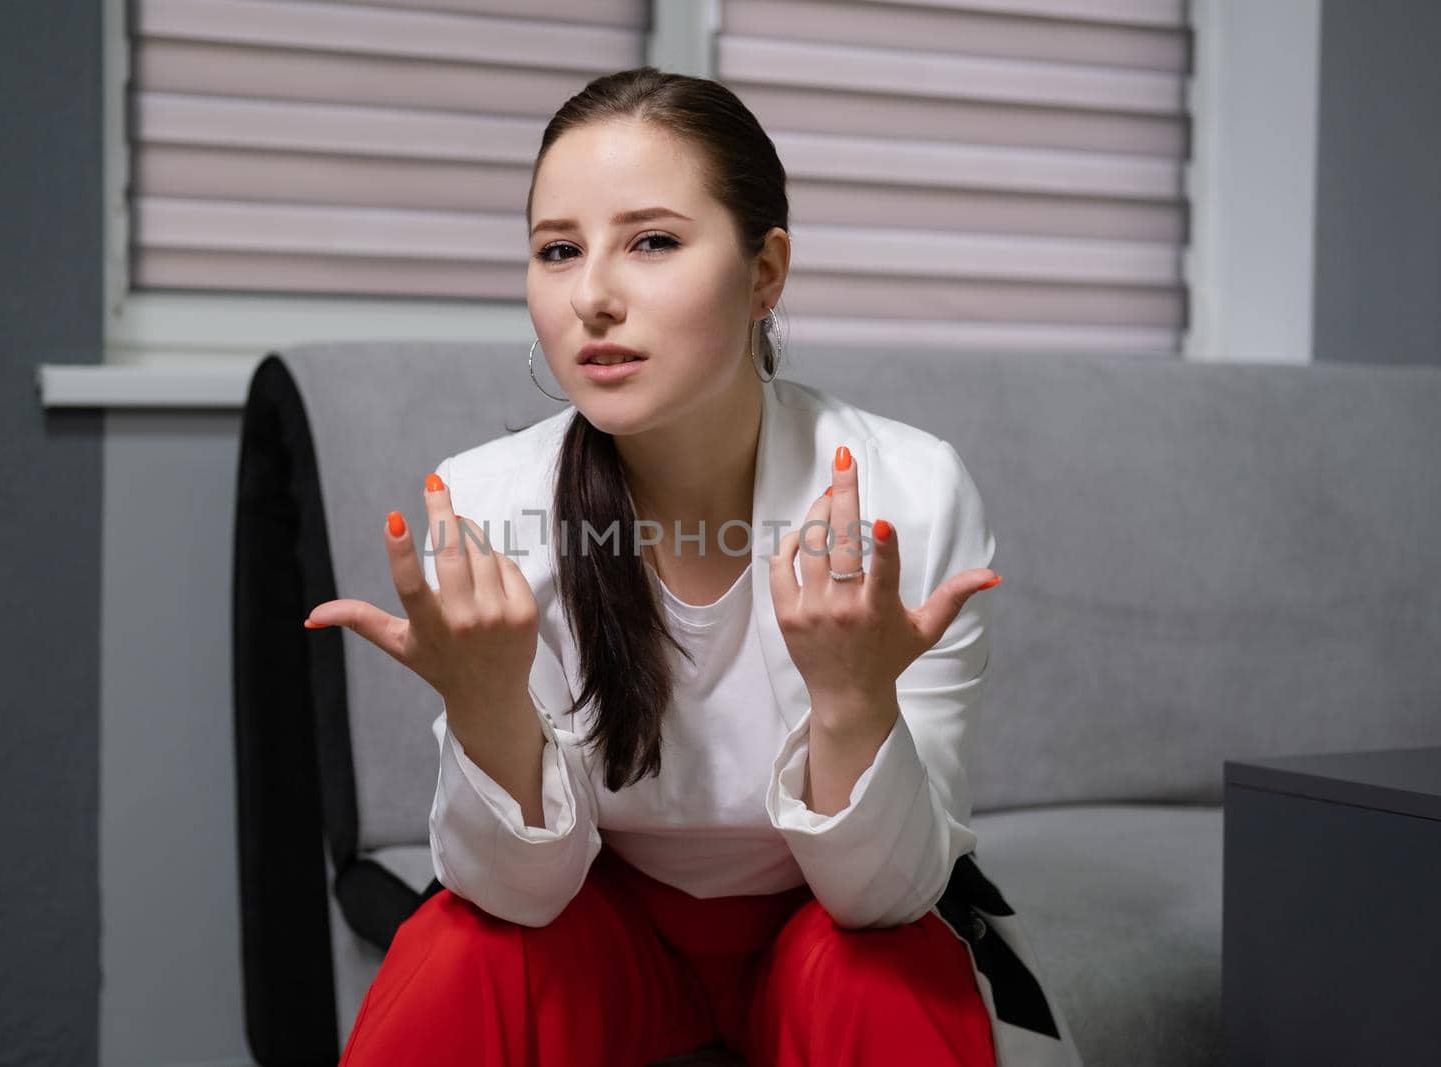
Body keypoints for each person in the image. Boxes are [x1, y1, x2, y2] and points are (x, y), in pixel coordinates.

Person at [305, 66, 1081, 1067]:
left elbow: (883, 894)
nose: (591, 296)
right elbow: (512, 891)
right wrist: (488, 699)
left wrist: (849, 699)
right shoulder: (489, 503)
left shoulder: (907, 492)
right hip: (601, 917)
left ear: (765, 273)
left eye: (653, 241)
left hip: (824, 921)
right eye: (556, 250)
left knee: (871, 975)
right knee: (460, 948)